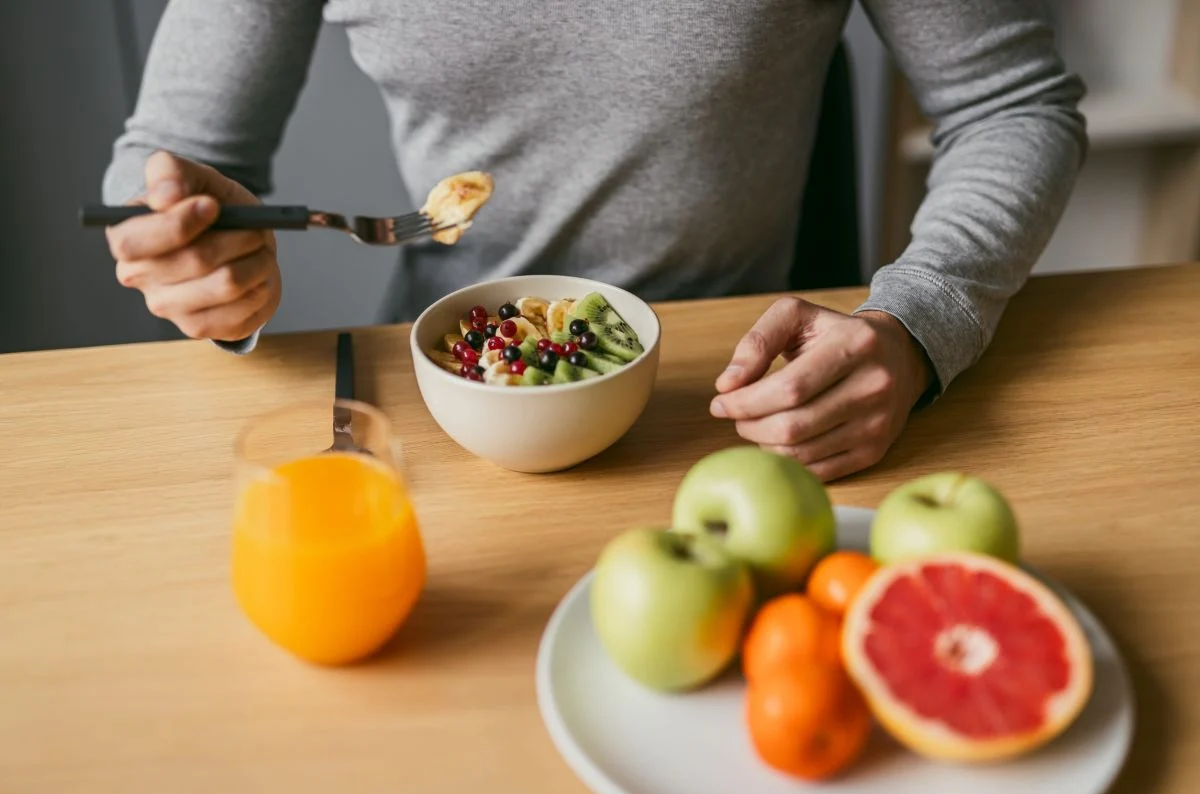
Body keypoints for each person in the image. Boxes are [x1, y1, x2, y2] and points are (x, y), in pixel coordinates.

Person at [101, 1, 1086, 482]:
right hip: (450, 421)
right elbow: (165, 157)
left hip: (748, 409)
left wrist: (918, 322)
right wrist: (185, 244)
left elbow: (1013, 103)